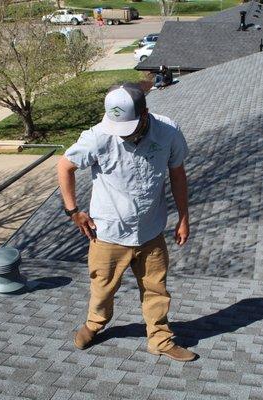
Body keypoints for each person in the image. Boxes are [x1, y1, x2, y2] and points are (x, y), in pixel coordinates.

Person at [57, 83, 196, 362]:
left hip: (151, 231)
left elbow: (177, 175)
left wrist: (183, 218)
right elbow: (65, 166)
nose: (124, 133)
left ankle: (160, 339)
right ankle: (94, 324)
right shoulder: (98, 136)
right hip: (108, 233)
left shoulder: (168, 131)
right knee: (102, 287)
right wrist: (73, 211)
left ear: (144, 114)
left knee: (157, 289)